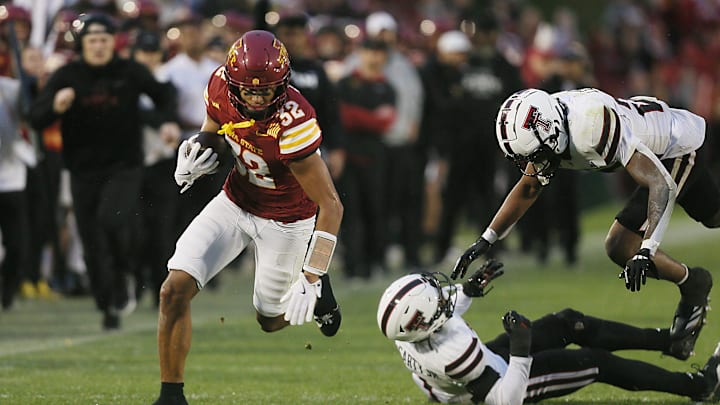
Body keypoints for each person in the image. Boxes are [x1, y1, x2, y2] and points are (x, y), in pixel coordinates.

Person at [451, 87, 719, 361]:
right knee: (714, 217)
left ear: (554, 131)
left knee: (620, 244)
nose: (534, 164)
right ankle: (693, 282)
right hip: (658, 151)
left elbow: (660, 184)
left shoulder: (592, 126)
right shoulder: (547, 127)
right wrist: (486, 240)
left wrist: (647, 249)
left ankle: (693, 284)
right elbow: (529, 187)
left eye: (536, 155)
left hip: (677, 148)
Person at [153, 30, 344, 405]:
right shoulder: (220, 86)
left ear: (284, 84)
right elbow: (215, 129)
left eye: (267, 90)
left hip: (288, 221)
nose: (257, 98)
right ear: (233, 81)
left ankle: (320, 291)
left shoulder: (294, 120)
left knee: (270, 320)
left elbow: (332, 205)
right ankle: (170, 396)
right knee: (173, 289)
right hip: (235, 201)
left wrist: (313, 274)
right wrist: (197, 152)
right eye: (249, 90)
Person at [377, 261, 720, 404]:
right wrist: (522, 348)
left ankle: (671, 342)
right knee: (595, 362)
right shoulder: (453, 355)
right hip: (494, 388)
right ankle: (700, 387)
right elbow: (504, 399)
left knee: (567, 322)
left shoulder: (408, 331)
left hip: (479, 369)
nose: (441, 295)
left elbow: (441, 315)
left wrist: (466, 293)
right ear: (424, 324)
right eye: (434, 298)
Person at [28, 13, 180, 329]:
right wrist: (55, 105)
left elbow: (164, 94)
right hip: (82, 169)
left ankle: (126, 270)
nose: (98, 46)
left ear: (114, 42)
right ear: (82, 44)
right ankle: (107, 304)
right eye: (92, 41)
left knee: (111, 219)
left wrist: (167, 121)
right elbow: (36, 117)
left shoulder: (130, 71)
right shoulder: (67, 75)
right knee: (91, 238)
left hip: (124, 165)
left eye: (104, 40)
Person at [335, 38, 396, 279]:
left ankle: (374, 262)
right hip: (349, 156)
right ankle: (353, 265)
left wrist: (355, 115)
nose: (374, 57)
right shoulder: (345, 84)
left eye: (379, 52)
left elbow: (385, 123)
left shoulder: (387, 87)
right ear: (361, 54)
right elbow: (341, 117)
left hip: (375, 157)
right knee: (350, 213)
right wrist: (369, 117)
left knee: (376, 210)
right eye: (370, 51)